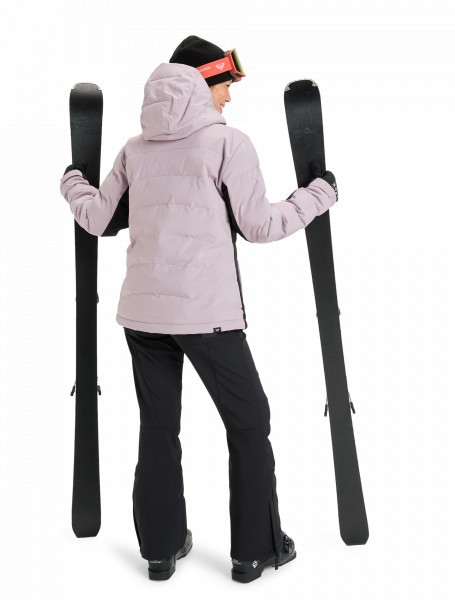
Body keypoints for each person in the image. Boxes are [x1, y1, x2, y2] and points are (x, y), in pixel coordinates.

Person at [59, 35, 338, 583]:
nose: (229, 98)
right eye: (225, 86)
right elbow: (261, 226)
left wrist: (72, 183)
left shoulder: (134, 149)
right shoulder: (228, 143)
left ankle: (160, 550)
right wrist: (318, 194)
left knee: (158, 427)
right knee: (250, 422)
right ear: (201, 81)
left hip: (143, 319)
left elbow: (97, 219)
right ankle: (254, 551)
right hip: (207, 317)